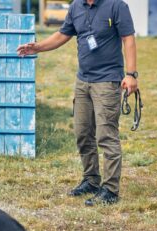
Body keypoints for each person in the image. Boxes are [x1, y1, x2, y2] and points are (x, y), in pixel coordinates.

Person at [17, 0, 138, 206]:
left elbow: (128, 39)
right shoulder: (75, 7)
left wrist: (131, 74)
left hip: (107, 81)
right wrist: (38, 47)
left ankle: (110, 190)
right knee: (83, 133)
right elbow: (62, 34)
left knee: (106, 135)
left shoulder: (117, 6)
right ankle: (91, 180)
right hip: (83, 81)